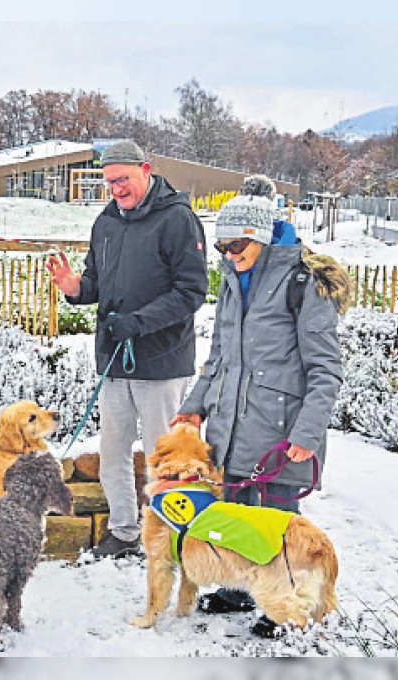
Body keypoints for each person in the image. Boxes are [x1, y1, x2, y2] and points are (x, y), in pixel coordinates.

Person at [169, 175, 347, 624]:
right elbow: (220, 357)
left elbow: (325, 369)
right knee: (234, 519)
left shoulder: (304, 284)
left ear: (261, 237)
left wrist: (307, 432)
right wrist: (195, 405)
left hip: (280, 430)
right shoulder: (232, 281)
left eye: (237, 246)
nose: (229, 255)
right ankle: (239, 590)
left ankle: (284, 607)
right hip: (230, 426)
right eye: (223, 247)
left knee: (275, 524)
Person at [46, 140, 209, 558]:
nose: (116, 189)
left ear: (146, 170)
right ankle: (123, 531)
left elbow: (191, 292)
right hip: (115, 357)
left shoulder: (177, 219)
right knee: (113, 453)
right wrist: (75, 289)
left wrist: (139, 323)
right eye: (110, 182)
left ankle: (173, 537)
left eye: (123, 179)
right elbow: (96, 283)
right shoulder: (106, 222)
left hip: (162, 361)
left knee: (166, 459)